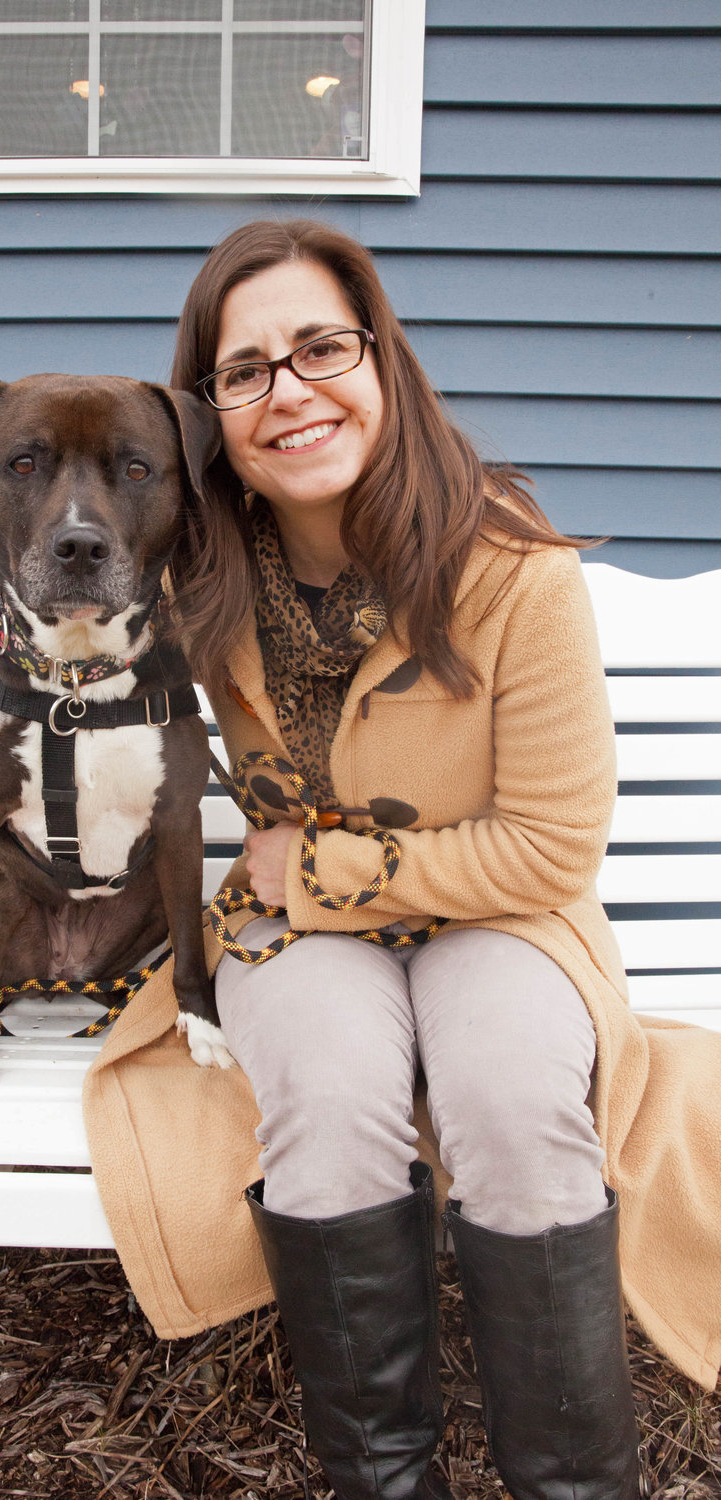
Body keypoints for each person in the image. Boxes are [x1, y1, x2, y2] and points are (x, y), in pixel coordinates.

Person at [162, 218, 642, 1499]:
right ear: (211, 413)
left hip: (503, 915)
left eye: (321, 347)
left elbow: (548, 845)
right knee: (325, 1095)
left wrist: (308, 873)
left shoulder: (510, 567)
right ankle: (384, 1483)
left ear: (383, 361)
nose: (291, 393)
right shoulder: (193, 573)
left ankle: (575, 1485)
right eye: (245, 369)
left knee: (505, 1091)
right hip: (303, 943)